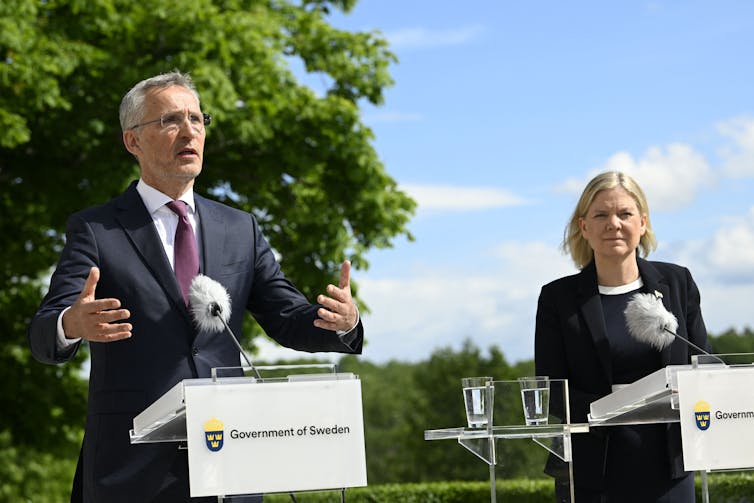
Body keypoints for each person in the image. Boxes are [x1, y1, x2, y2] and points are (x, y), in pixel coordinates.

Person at [28, 71, 364, 503]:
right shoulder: (97, 229)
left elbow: (288, 317)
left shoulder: (239, 228)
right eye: (169, 120)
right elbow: (43, 334)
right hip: (133, 473)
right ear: (133, 141)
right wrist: (70, 323)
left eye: (197, 119)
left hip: (230, 463)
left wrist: (341, 321)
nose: (189, 131)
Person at [534, 171, 708, 502]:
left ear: (642, 223)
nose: (613, 223)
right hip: (591, 472)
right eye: (601, 215)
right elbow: (550, 392)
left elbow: (704, 367)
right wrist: (621, 408)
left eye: (624, 214)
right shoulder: (558, 298)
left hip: (669, 468)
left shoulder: (677, 283)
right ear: (584, 227)